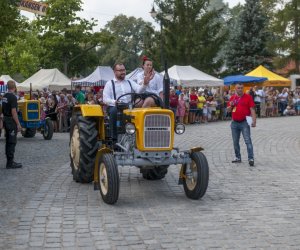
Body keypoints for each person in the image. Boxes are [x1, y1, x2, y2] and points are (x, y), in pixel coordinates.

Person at [103, 63, 148, 141]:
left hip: (129, 107)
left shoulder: (129, 82)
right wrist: (115, 102)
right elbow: (105, 99)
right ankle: (114, 138)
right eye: (120, 70)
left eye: (124, 70)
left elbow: (139, 90)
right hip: (115, 107)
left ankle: (141, 138)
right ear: (115, 72)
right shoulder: (109, 84)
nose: (123, 72)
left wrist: (145, 83)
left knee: (142, 112)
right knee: (114, 111)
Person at [227, 83, 256, 167]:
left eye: (241, 88)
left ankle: (251, 158)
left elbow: (252, 109)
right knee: (235, 142)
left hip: (244, 122)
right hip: (234, 123)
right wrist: (230, 106)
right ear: (235, 89)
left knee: (247, 140)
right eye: (238, 88)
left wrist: (254, 121)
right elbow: (228, 110)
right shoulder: (233, 98)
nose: (240, 89)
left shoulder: (248, 97)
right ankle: (238, 157)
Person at [1, 80, 22, 168]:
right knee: (12, 141)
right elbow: (14, 112)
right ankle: (10, 162)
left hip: (5, 119)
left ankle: (9, 161)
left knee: (8, 141)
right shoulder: (13, 97)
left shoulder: (4, 96)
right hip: (10, 121)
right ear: (14, 87)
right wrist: (18, 124)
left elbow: (2, 108)